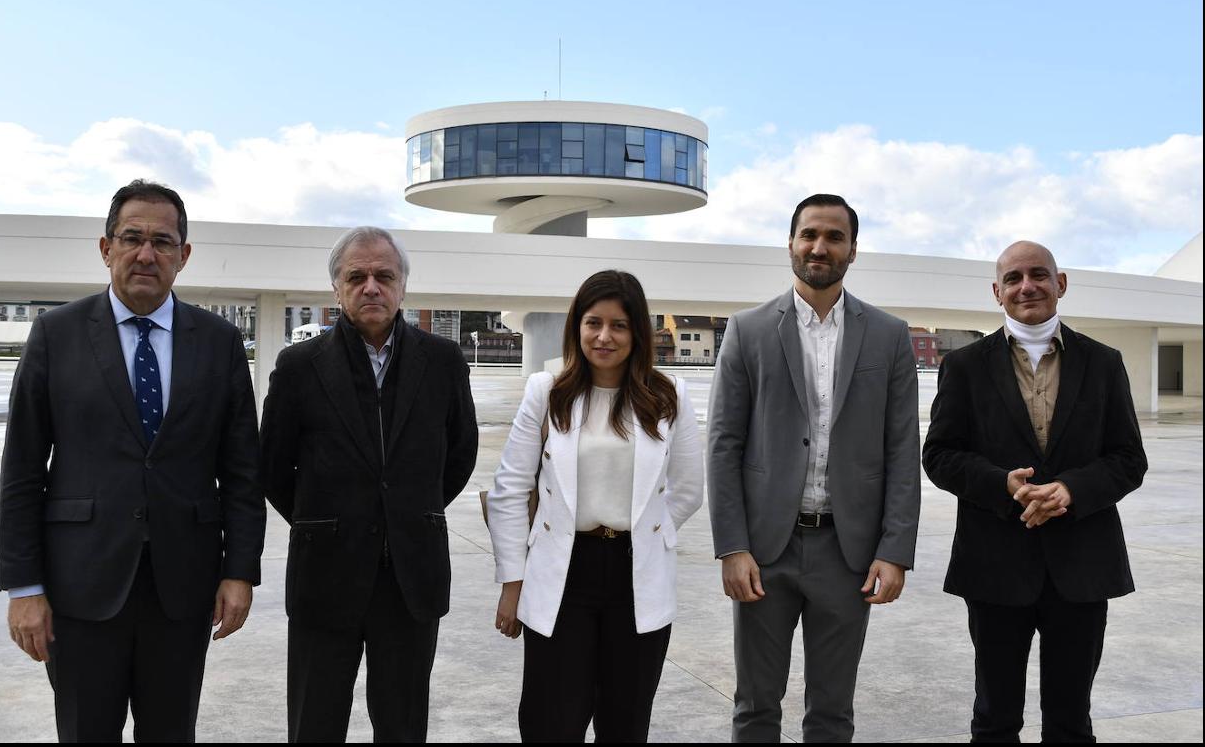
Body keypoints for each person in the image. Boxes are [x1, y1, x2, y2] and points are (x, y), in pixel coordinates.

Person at [0, 179, 265, 742]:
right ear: (106, 248)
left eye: (163, 242)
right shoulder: (56, 334)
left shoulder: (218, 343)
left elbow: (241, 472)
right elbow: (22, 469)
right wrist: (24, 588)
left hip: (184, 588)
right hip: (79, 586)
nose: (147, 254)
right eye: (132, 238)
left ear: (183, 256)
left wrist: (239, 571)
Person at [708, 193, 921, 742]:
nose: (819, 247)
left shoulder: (888, 335)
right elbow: (723, 445)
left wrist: (894, 551)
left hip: (847, 555)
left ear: (853, 249)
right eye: (809, 235)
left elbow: (902, 449)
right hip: (764, 552)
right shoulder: (749, 330)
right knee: (755, 705)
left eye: (833, 237)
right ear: (790, 243)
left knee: (832, 711)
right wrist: (732, 547)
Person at [259, 225, 478, 742]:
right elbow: (272, 466)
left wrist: (404, 513)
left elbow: (460, 454)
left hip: (411, 579)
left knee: (402, 727)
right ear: (336, 289)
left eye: (384, 275)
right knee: (315, 724)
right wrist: (326, 520)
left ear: (403, 285)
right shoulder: (298, 367)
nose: (371, 287)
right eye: (356, 277)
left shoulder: (443, 363)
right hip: (325, 575)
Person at [923, 240, 1147, 742]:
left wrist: (1070, 489)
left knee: (1071, 721)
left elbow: (1129, 460)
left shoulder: (1104, 362)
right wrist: (1002, 486)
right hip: (995, 566)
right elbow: (939, 456)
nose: (1028, 286)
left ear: (1060, 284)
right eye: (1014, 278)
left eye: (1039, 275)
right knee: (996, 718)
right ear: (997, 292)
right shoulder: (965, 367)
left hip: (1082, 566)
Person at [487, 269, 704, 742]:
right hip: (563, 573)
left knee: (624, 722)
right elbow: (509, 490)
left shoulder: (670, 396)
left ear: (638, 333)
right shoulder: (547, 391)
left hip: (636, 575)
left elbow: (687, 488)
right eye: (593, 322)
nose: (604, 336)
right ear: (577, 327)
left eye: (619, 325)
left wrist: (652, 534)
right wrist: (512, 582)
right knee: (551, 720)